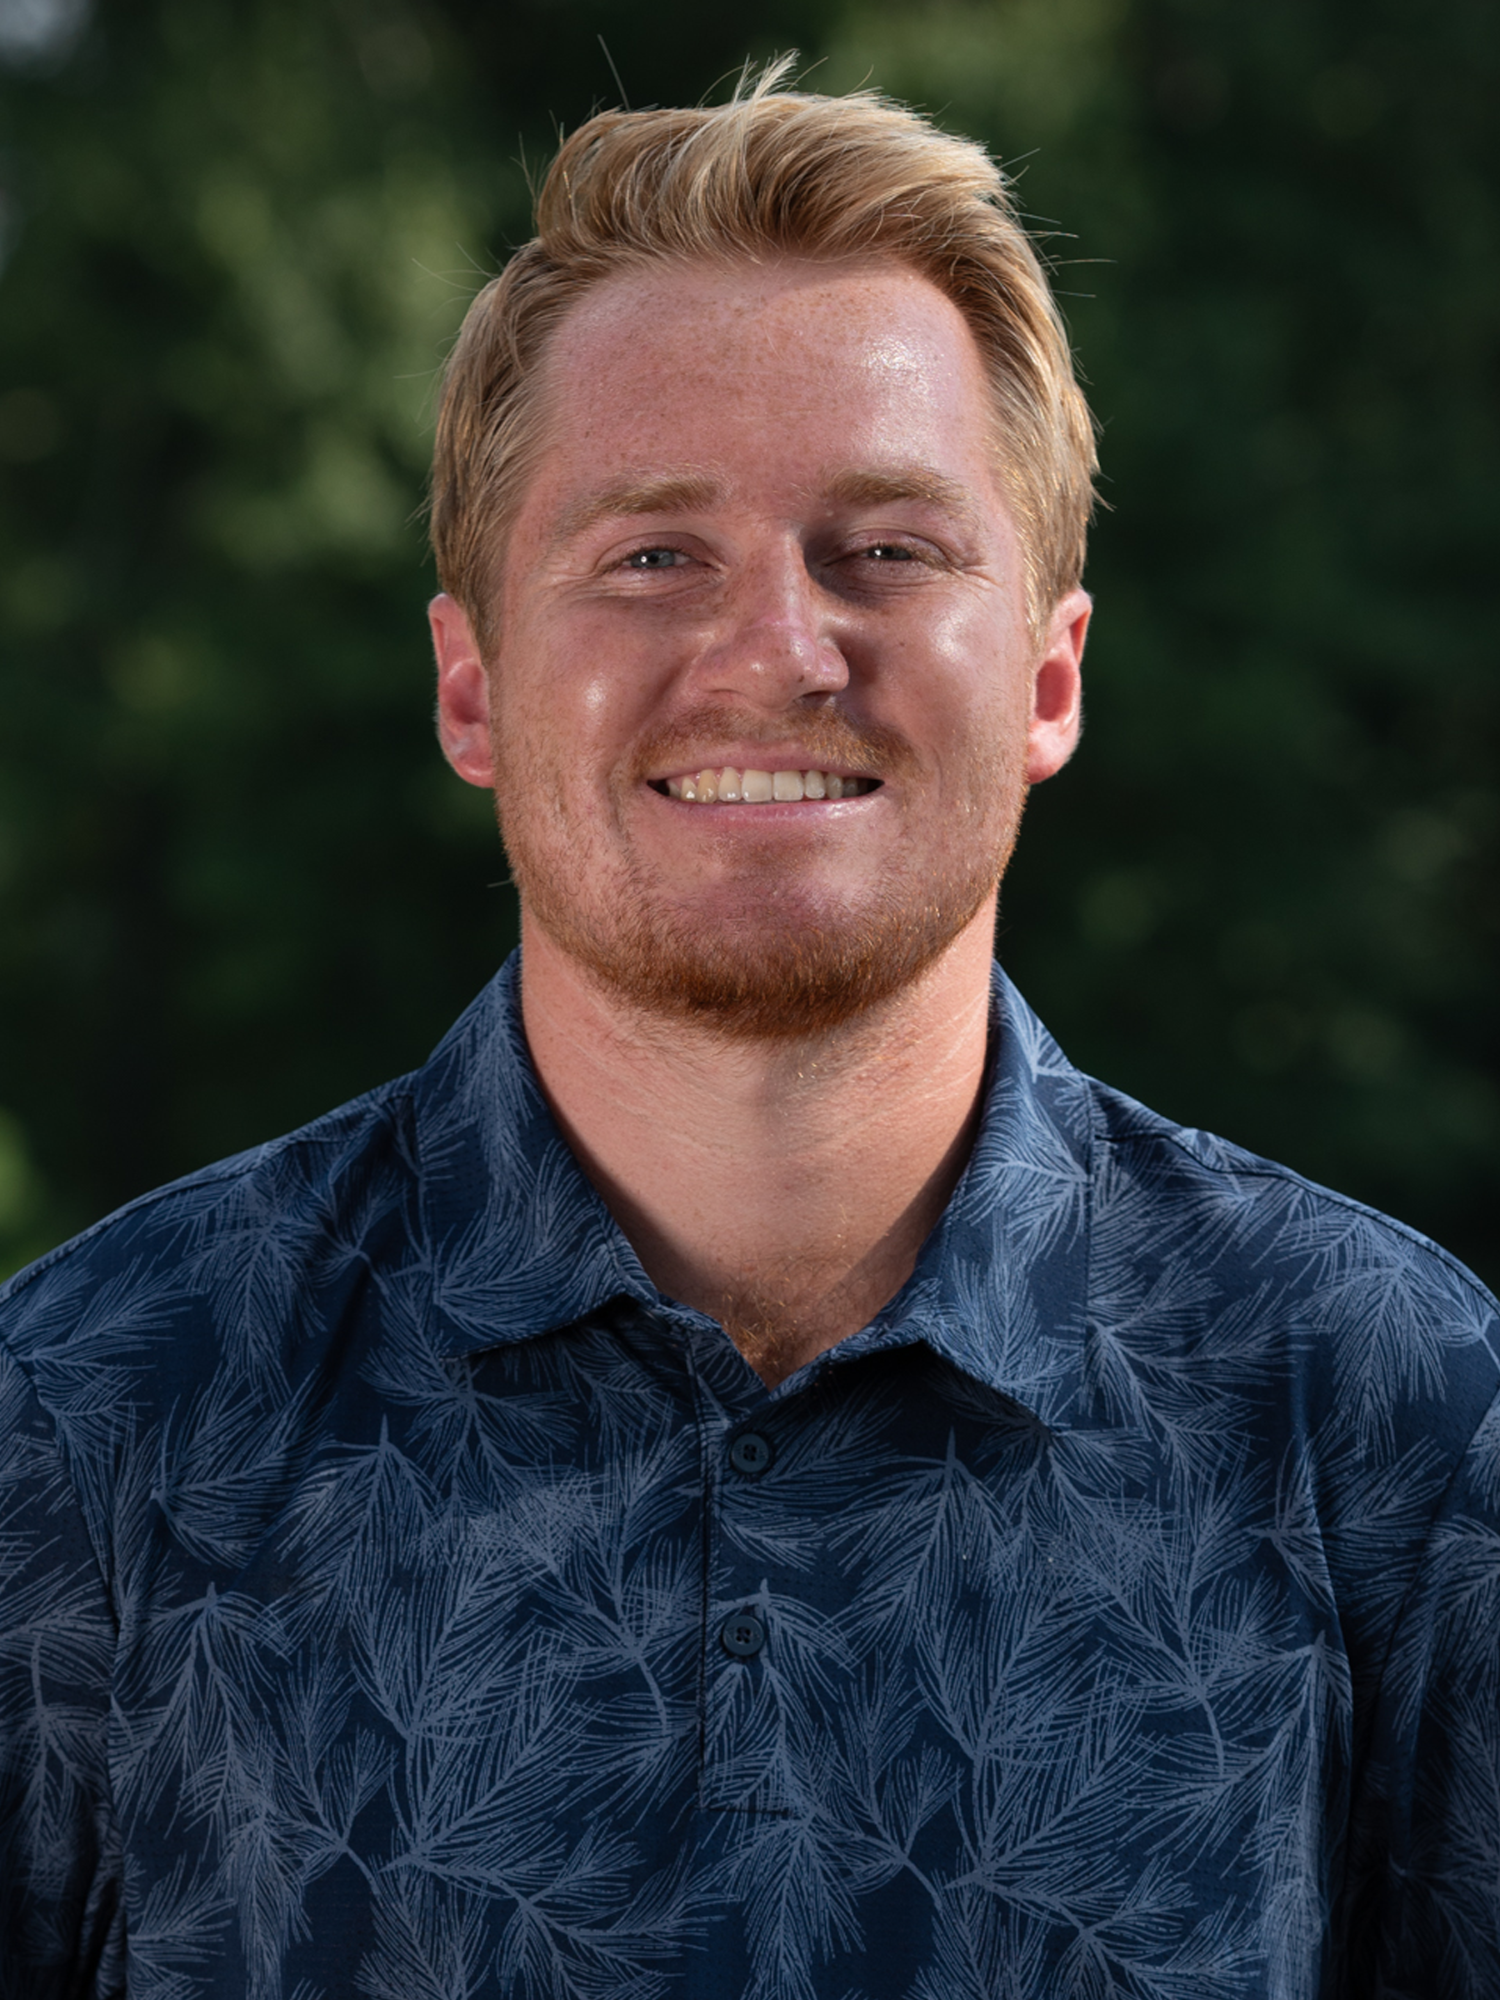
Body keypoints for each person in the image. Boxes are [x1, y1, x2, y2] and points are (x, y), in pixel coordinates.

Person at [1, 70, 1496, 2000]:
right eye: (651, 556)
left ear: (1047, 676)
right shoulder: (86, 1426)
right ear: (472, 691)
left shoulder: (1398, 1420)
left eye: (885, 549)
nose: (776, 652)